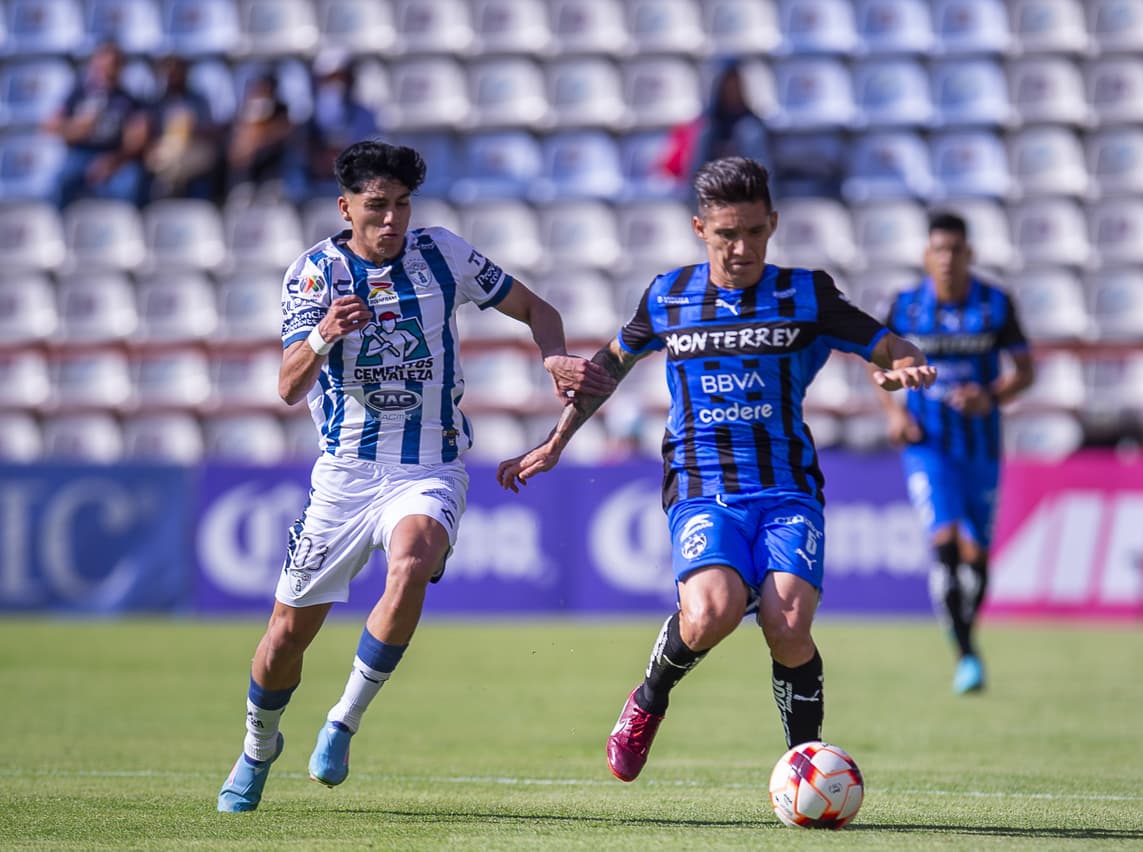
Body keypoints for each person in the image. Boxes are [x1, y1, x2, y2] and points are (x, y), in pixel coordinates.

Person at [496, 157, 936, 782]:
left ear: (773, 225)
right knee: (711, 613)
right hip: (704, 485)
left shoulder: (805, 292)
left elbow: (887, 343)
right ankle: (648, 700)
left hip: (788, 489)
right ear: (701, 228)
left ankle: (801, 766)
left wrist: (907, 364)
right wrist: (558, 440)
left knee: (787, 628)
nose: (741, 248)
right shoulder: (669, 295)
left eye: (753, 232)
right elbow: (608, 369)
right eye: (727, 233)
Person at [215, 140, 616, 813]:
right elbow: (287, 386)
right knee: (284, 636)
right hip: (345, 475)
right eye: (377, 207)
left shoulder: (443, 254)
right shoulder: (314, 275)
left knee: (414, 558)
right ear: (346, 208)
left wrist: (553, 358)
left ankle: (343, 720)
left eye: (402, 205)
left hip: (427, 464)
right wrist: (322, 337)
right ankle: (258, 748)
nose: (392, 220)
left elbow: (539, 311)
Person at [872, 211, 1035, 695]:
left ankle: (965, 635)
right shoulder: (905, 307)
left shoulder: (995, 304)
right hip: (928, 446)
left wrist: (992, 396)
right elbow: (876, 364)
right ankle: (967, 656)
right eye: (938, 250)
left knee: (977, 557)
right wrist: (894, 413)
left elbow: (1025, 370)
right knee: (944, 542)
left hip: (981, 446)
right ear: (926, 256)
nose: (946, 259)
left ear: (970, 255)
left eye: (954, 250)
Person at [42, 41, 151, 208]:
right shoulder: (78, 94)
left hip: (114, 155)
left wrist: (113, 161)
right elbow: (49, 125)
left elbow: (137, 140)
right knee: (59, 183)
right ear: (94, 65)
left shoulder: (129, 100)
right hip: (81, 153)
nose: (107, 71)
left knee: (131, 185)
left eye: (112, 66)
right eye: (102, 66)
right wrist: (74, 128)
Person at [287, 50, 380, 202]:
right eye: (330, 78)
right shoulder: (306, 116)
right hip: (314, 189)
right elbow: (302, 151)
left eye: (342, 76)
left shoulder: (365, 115)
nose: (338, 83)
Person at [143, 55, 221, 201]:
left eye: (177, 72)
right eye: (169, 73)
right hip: (164, 149)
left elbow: (210, 129)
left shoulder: (198, 100)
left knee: (187, 162)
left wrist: (193, 130)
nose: (173, 77)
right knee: (161, 159)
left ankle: (170, 187)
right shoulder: (155, 103)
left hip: (192, 148)